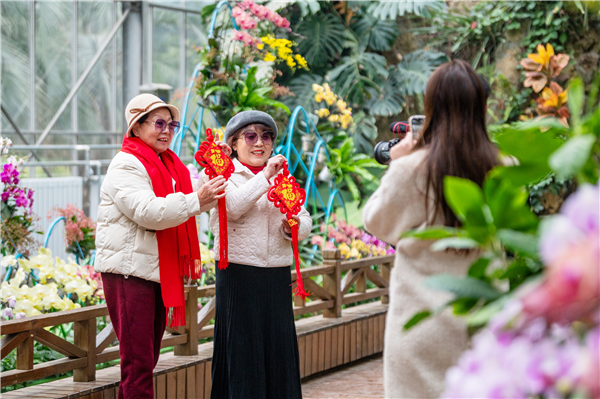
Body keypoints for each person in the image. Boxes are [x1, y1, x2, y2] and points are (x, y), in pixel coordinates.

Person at [362, 60, 500, 398]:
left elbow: (376, 221)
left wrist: (399, 160)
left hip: (421, 324)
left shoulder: (410, 169)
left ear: (431, 107)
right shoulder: (502, 166)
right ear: (481, 107)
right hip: (484, 313)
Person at [94, 93, 230, 399]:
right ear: (136, 127)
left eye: (172, 124)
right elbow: (149, 212)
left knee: (145, 362)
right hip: (130, 274)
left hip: (152, 273)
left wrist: (218, 166)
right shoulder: (126, 165)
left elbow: (190, 194)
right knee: (138, 365)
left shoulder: (167, 164)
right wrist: (198, 199)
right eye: (158, 123)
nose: (167, 130)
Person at [201, 111, 312, 399]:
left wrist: (293, 228)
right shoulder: (220, 172)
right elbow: (234, 207)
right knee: (242, 353)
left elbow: (304, 218)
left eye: (266, 136)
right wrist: (265, 176)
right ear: (235, 143)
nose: (259, 142)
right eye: (250, 136)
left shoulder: (282, 176)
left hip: (276, 274)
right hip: (238, 274)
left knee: (279, 351)